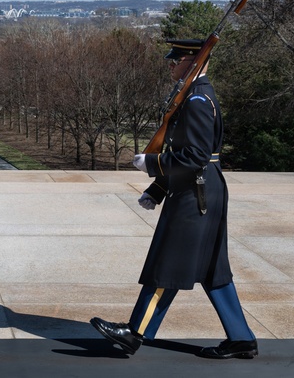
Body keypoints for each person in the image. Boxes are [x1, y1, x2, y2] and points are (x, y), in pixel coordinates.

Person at [90, 39, 257, 360]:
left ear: (194, 62)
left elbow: (194, 156)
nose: (170, 64)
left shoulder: (196, 100)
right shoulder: (196, 95)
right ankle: (241, 338)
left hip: (195, 194)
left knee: (168, 264)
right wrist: (158, 189)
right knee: (213, 269)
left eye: (176, 60)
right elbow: (191, 157)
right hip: (201, 188)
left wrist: (152, 164)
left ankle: (134, 332)